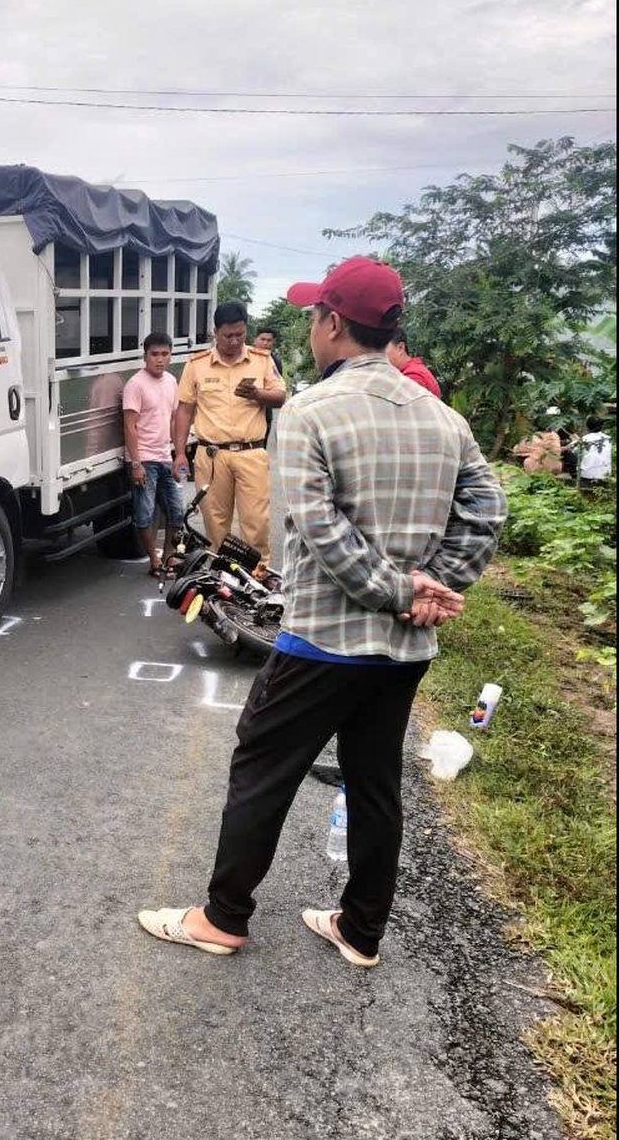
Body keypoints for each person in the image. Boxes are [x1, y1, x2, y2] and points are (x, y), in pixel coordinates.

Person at [138, 256, 507, 969]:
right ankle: (361, 929)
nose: (310, 327)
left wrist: (407, 591)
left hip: (325, 641)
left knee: (262, 764)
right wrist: (435, 587)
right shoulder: (443, 418)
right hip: (404, 649)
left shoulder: (310, 410)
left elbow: (319, 527)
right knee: (374, 779)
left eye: (314, 316)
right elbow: (487, 511)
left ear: (335, 324)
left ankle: (223, 918)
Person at [172, 301, 286, 562]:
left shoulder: (262, 360)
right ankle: (223, 577)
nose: (235, 341)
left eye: (240, 334)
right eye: (228, 336)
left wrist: (258, 394)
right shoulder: (197, 364)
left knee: (256, 522)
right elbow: (184, 410)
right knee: (215, 522)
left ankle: (259, 575)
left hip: (250, 453)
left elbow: (280, 396)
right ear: (215, 332)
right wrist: (179, 453)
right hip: (211, 455)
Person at [122, 331, 184, 575]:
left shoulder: (171, 381)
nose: (159, 359)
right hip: (144, 459)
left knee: (176, 512)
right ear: (145, 356)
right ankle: (154, 560)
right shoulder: (135, 384)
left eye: (165, 354)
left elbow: (173, 418)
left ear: (170, 355)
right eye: (154, 354)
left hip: (165, 457)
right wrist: (136, 463)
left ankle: (168, 556)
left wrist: (179, 453)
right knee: (145, 514)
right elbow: (129, 425)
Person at [386, 330, 442, 398]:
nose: (378, 354)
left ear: (400, 348)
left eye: (383, 349)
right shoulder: (414, 370)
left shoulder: (412, 377)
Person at [579, 418, 613, 484]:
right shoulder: (608, 439)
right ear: (601, 426)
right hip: (605, 475)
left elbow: (576, 452)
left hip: (587, 475)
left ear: (587, 427)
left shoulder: (584, 439)